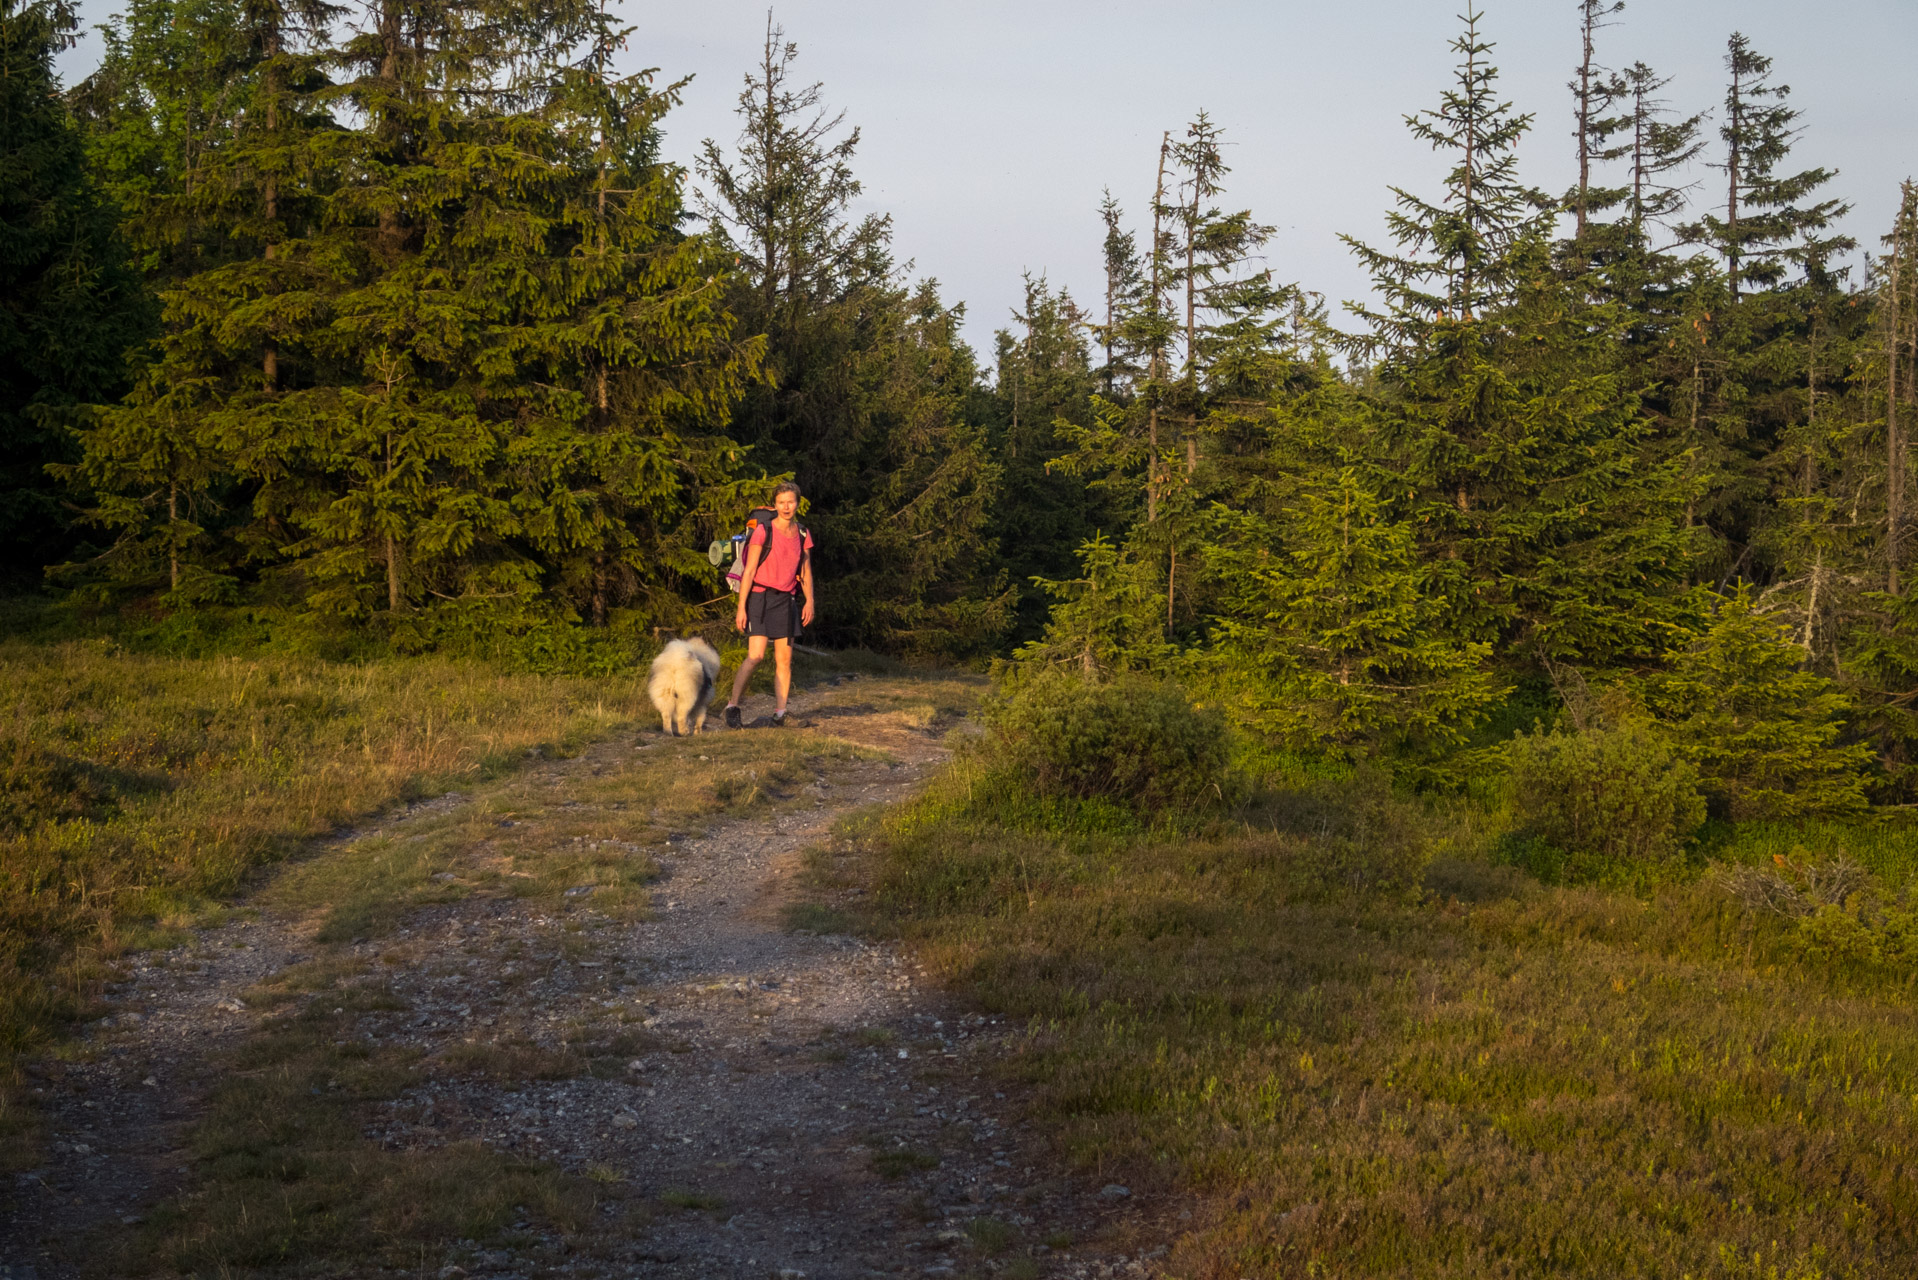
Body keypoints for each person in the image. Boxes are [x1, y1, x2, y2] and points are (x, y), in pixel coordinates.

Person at [722, 482, 814, 728]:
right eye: (781, 502)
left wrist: (810, 601)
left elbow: (805, 570)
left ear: (797, 503)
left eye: (791, 501)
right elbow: (750, 570)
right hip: (760, 598)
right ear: (775, 504)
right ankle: (732, 706)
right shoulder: (764, 530)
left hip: (787, 599)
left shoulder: (803, 534)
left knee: (784, 660)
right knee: (756, 656)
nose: (786, 507)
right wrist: (741, 607)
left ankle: (781, 713)